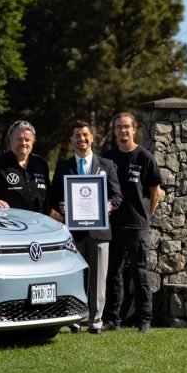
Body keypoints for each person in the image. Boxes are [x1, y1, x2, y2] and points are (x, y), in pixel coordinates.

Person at [46, 120, 122, 334]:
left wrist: (110, 205)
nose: (82, 139)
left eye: (85, 135)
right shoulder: (63, 167)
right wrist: (61, 206)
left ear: (92, 138)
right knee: (75, 278)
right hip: (74, 233)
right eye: (77, 135)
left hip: (99, 232)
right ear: (72, 139)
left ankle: (96, 321)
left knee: (98, 280)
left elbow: (117, 195)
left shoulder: (107, 165)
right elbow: (54, 196)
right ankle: (76, 319)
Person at [102, 112, 162, 334]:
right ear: (115, 131)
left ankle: (144, 320)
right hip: (113, 225)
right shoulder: (107, 159)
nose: (122, 130)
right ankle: (112, 319)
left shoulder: (145, 157)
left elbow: (155, 192)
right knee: (113, 273)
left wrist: (146, 215)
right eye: (119, 127)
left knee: (140, 273)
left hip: (137, 225)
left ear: (134, 129)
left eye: (126, 126)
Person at [0, 120, 50, 212]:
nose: (23, 143)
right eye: (19, 139)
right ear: (11, 141)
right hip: (9, 220)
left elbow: (48, 194)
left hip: (39, 220)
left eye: (27, 140)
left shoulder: (41, 163)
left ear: (33, 142)